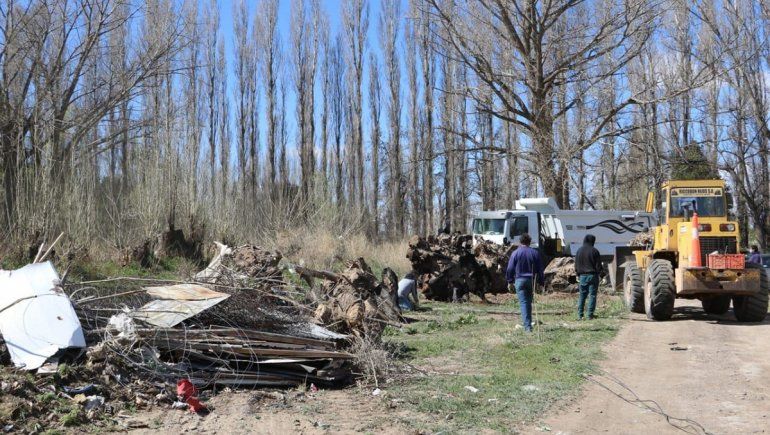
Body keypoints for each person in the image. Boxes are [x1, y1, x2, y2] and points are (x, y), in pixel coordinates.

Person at [505, 233, 544, 332]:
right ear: (529, 242)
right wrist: (541, 282)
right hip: (531, 280)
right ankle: (528, 323)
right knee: (528, 302)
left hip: (519, 280)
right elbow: (540, 269)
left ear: (520, 242)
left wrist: (510, 281)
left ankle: (527, 327)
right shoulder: (535, 253)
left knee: (523, 302)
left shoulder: (515, 253)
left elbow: (510, 268)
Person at [575, 234, 603, 320]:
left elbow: (576, 265)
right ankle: (590, 315)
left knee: (582, 296)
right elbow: (598, 266)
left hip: (582, 276)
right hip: (593, 276)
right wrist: (602, 275)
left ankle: (580, 315)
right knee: (592, 295)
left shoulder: (579, 251)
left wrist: (578, 274)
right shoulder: (594, 251)